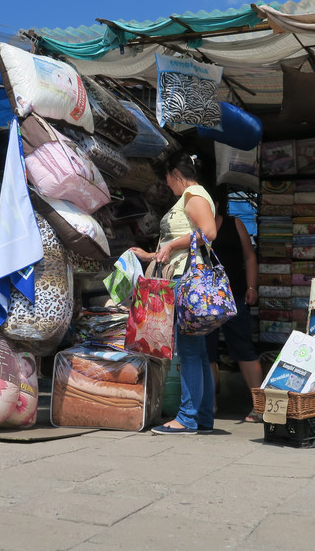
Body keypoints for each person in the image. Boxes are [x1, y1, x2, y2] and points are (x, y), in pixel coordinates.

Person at [130, 152, 218, 436]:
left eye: (167, 178)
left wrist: (172, 245)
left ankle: (188, 418)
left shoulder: (194, 196)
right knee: (198, 353)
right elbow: (179, 241)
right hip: (182, 275)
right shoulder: (190, 197)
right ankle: (202, 418)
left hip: (187, 280)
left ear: (174, 173)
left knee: (190, 353)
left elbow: (208, 232)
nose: (167, 185)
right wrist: (151, 254)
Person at [206, 187, 263, 421]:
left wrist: (252, 287)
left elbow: (249, 256)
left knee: (243, 348)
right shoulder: (194, 230)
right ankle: (209, 405)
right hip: (204, 301)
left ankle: (260, 405)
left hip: (235, 295)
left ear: (217, 204)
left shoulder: (234, 223)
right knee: (206, 352)